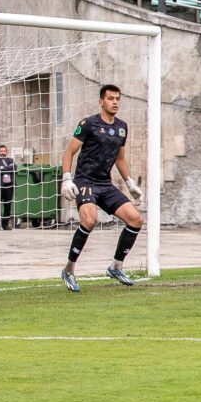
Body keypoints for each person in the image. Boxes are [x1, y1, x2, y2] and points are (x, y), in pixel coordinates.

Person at [58, 85, 145, 293]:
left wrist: (131, 184)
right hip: (85, 181)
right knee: (89, 220)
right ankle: (69, 270)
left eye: (117, 99)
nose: (115, 102)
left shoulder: (122, 127)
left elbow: (120, 159)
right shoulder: (88, 124)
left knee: (136, 219)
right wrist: (67, 179)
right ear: (101, 102)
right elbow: (69, 153)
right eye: (110, 99)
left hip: (105, 184)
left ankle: (116, 266)